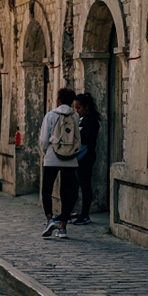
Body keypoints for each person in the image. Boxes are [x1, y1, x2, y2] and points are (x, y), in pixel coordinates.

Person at [40, 87, 81, 239]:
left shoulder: (50, 115)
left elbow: (44, 139)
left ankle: (49, 220)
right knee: (67, 192)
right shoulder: (75, 116)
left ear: (58, 100)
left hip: (52, 157)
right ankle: (63, 227)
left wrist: (46, 153)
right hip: (70, 159)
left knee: (47, 190)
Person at [71, 92, 101, 226]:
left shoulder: (92, 120)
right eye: (75, 108)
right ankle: (77, 212)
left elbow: (87, 140)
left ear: (87, 107)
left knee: (85, 186)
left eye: (79, 108)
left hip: (86, 156)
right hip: (80, 156)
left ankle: (85, 214)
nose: (77, 111)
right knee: (77, 185)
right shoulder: (82, 119)